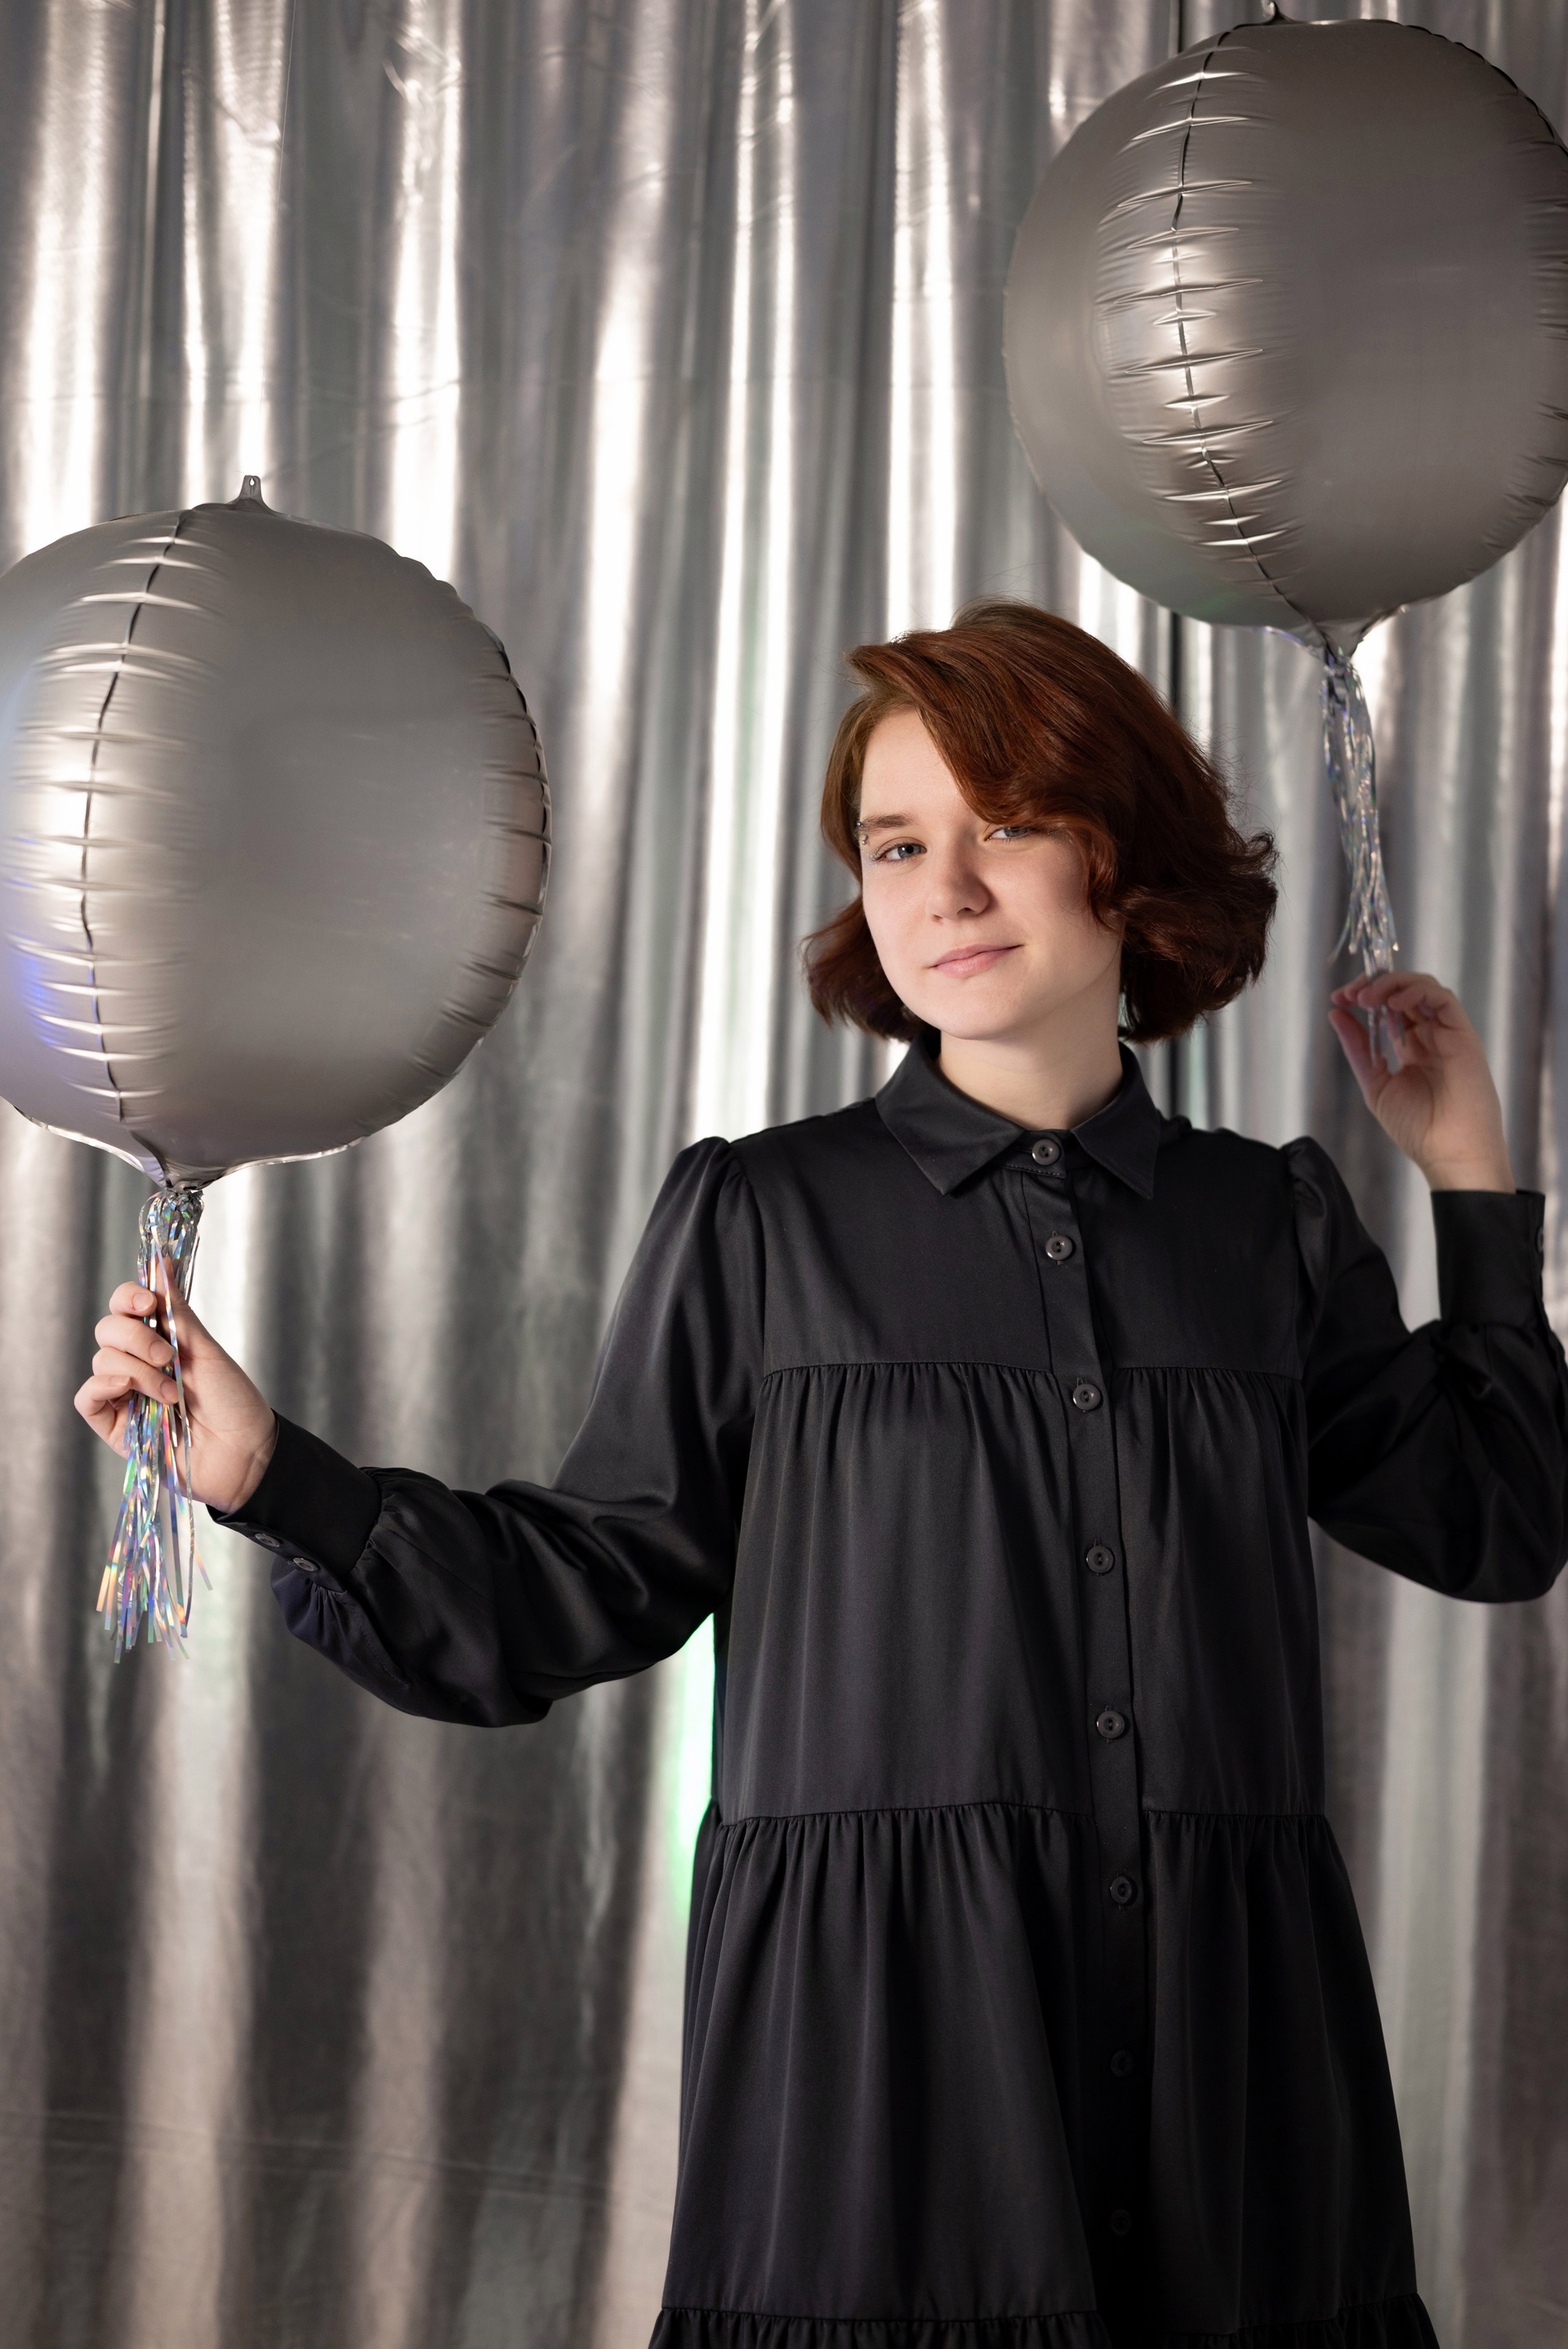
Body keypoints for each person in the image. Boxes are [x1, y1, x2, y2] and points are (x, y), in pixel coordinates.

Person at [76, 601, 1567, 2349]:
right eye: (898, 843)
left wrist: (1472, 1177)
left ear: (1130, 854)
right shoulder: (763, 1218)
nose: (948, 889)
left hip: (1234, 2092)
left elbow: (1495, 1518)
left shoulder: (1269, 1225)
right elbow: (592, 1579)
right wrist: (274, 1476)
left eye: (1009, 823)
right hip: (885, 2084)